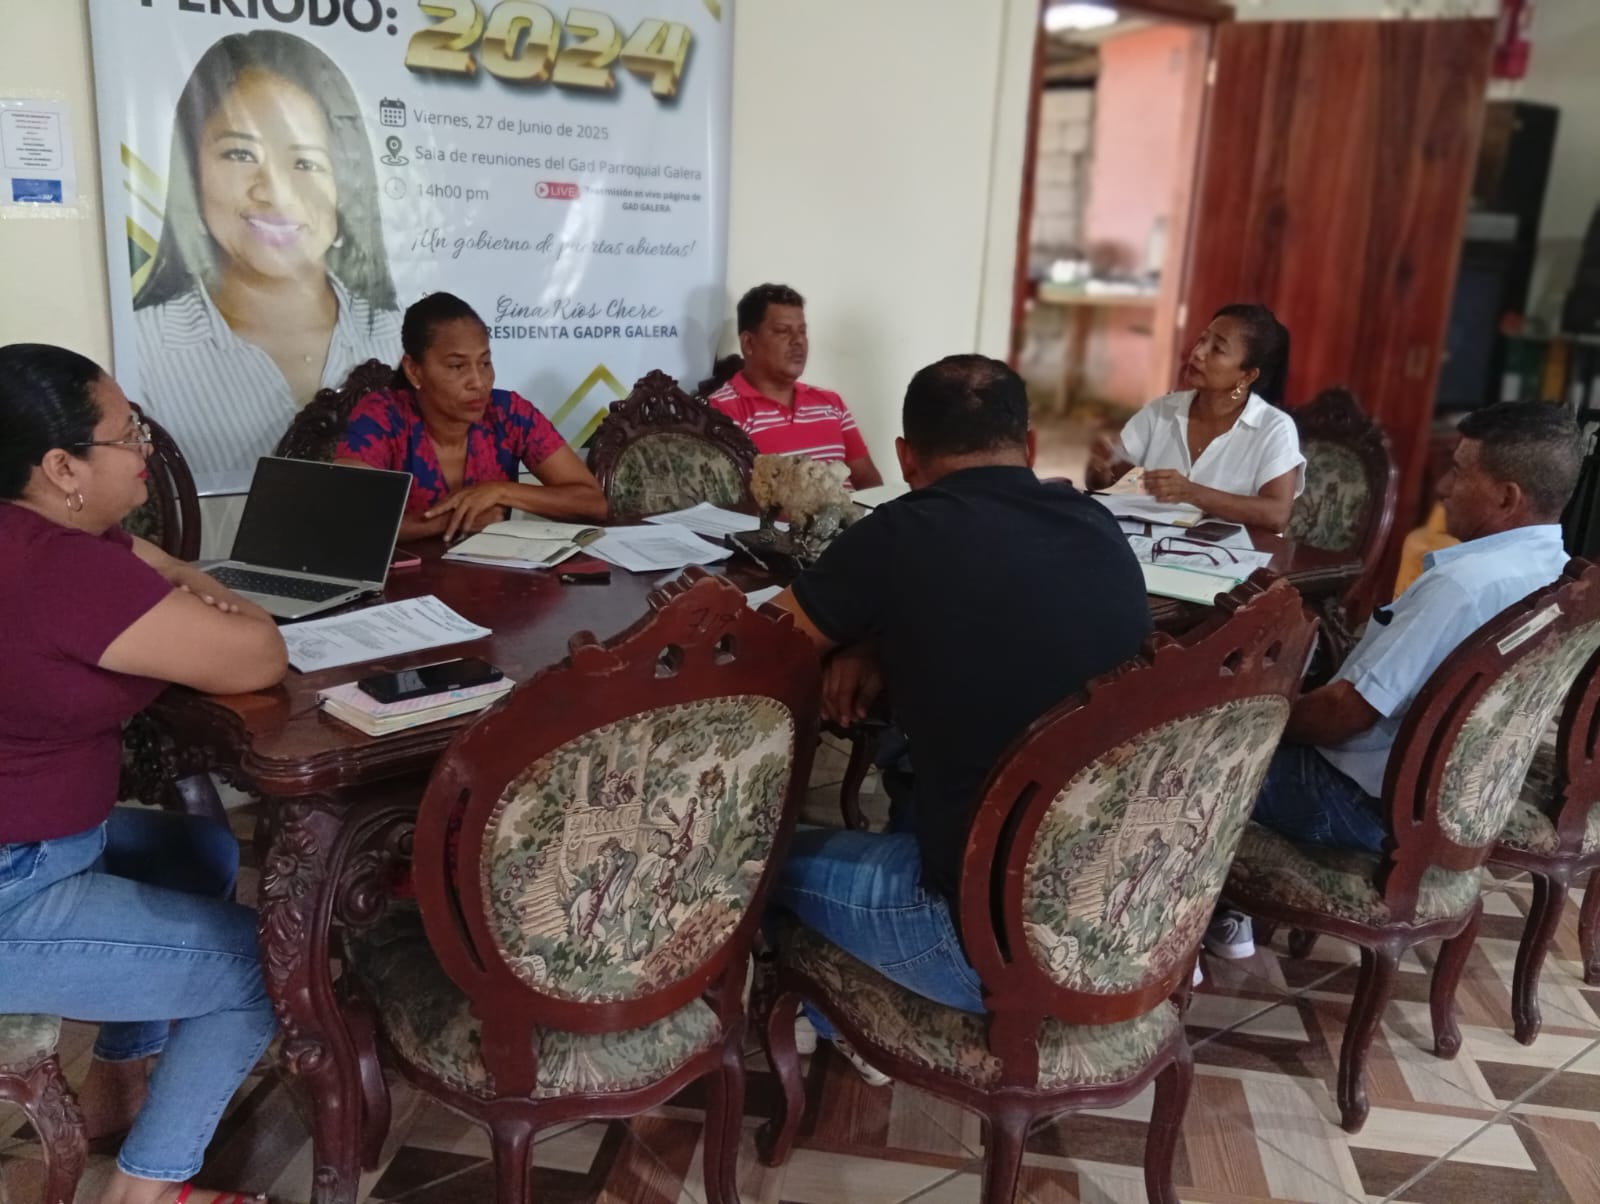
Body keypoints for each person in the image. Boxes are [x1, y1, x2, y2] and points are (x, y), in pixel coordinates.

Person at [766, 354, 1152, 1073]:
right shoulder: (1095, 524)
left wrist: (858, 633)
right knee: (928, 765)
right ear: (1029, 446)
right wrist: (876, 640)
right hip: (1130, 914)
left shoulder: (899, 534)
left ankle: (850, 1017)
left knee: (759, 857)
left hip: (979, 947)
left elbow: (760, 646)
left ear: (905, 457)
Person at [0, 343, 289, 1204]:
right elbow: (259, 653)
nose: (145, 454)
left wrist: (155, 567)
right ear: (62, 468)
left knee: (198, 853)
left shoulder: (32, 537)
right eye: (129, 437)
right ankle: (147, 1191)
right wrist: (191, 582)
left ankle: (119, 1087)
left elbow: (132, 563)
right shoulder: (62, 569)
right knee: (264, 968)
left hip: (36, 845)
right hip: (17, 884)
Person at [1206, 402, 1583, 960]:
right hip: (1452, 810)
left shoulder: (1460, 588)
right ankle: (1224, 909)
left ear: (1507, 498)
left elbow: (1345, 715)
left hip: (1359, 807)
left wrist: (1257, 713)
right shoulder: (1558, 575)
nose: (1444, 489)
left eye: (1459, 472)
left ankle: (1173, 934)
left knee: (1190, 757)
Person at [133, 30, 402, 493]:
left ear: (347, 185)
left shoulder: (402, 341)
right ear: (192, 173)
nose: (274, 191)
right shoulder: (142, 350)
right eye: (240, 154)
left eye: (306, 162)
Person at [336, 292, 608, 541]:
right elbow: (344, 520)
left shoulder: (509, 413)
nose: (478, 382)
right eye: (457, 366)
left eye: (485, 363)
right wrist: (447, 521)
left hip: (495, 576)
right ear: (414, 370)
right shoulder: (383, 416)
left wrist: (501, 491)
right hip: (405, 579)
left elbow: (593, 503)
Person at [1088, 304, 1302, 532]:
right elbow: (1106, 482)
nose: (1198, 353)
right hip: (1152, 544)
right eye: (1202, 340)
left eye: (1217, 349)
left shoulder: (1274, 427)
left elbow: (1276, 515)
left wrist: (1192, 492)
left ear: (1247, 375)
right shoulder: (1162, 410)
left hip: (1229, 550)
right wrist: (1101, 467)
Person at [708, 284, 884, 489]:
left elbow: (868, 480)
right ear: (748, 343)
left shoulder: (831, 404)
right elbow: (727, 497)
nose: (798, 341)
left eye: (802, 331)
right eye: (783, 331)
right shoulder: (722, 412)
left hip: (849, 509)